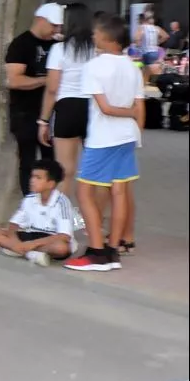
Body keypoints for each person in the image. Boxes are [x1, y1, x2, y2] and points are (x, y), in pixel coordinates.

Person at [64, 14, 144, 272]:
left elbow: (106, 108)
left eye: (96, 33)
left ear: (108, 37)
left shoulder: (94, 66)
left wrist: (127, 113)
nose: (93, 37)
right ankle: (112, 249)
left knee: (84, 192)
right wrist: (133, 126)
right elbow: (138, 108)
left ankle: (97, 251)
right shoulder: (132, 67)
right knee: (119, 191)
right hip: (127, 137)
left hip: (102, 139)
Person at [38, 2, 94, 220]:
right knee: (93, 172)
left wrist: (43, 121)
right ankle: (93, 219)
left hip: (67, 107)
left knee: (65, 170)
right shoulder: (96, 49)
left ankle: (59, 217)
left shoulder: (59, 49)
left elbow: (52, 89)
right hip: (93, 108)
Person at [5, 3, 63, 194]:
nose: (56, 30)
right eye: (53, 25)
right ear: (40, 19)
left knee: (52, 164)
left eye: (58, 26)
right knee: (28, 162)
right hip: (25, 112)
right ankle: (30, 207)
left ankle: (49, 205)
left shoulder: (57, 45)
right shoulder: (21, 44)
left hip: (52, 113)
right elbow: (14, 80)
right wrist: (48, 80)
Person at [0, 159, 77, 267]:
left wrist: (31, 244)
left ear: (50, 184)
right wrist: (15, 242)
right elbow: (14, 224)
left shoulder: (62, 202)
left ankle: (21, 251)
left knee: (61, 248)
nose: (32, 180)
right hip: (31, 235)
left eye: (38, 178)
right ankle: (27, 252)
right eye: (32, 176)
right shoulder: (29, 199)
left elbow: (63, 236)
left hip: (50, 239)